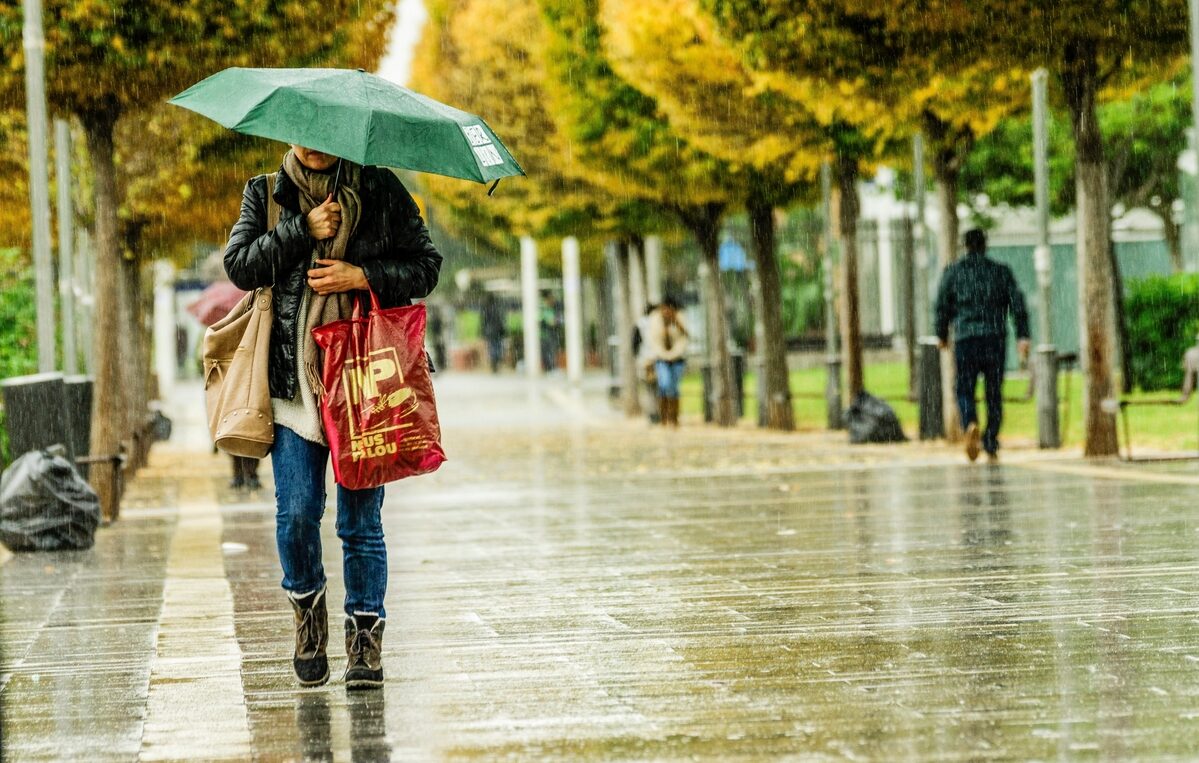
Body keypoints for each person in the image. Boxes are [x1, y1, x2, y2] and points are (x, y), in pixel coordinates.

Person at [224, 145, 441, 689]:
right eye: (302, 131)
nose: (313, 142)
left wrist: (361, 275)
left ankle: (365, 641)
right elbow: (241, 267)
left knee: (359, 524)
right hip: (295, 388)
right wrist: (301, 228)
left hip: (366, 388)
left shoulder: (379, 189)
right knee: (297, 513)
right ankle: (308, 612)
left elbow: (426, 267)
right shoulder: (265, 193)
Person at [935, 228, 1030, 463]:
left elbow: (941, 305)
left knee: (964, 388)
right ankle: (990, 441)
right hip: (994, 338)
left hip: (966, 338)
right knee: (994, 392)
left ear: (965, 246)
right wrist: (1023, 335)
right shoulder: (1000, 272)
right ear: (985, 245)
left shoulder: (953, 272)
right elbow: (1017, 304)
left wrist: (942, 334)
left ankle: (970, 423)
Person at [646, 296, 689, 427]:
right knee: (664, 385)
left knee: (674, 387)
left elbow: (685, 336)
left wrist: (675, 322)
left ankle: (674, 418)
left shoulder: (679, 318)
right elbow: (654, 339)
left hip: (678, 359)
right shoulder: (656, 320)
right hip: (661, 359)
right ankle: (664, 417)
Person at [480, 293, 507, 373]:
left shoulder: (486, 308)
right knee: (497, 347)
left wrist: (482, 331)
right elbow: (502, 320)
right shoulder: (498, 307)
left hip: (490, 332)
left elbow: (484, 321)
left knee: (492, 347)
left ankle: (494, 363)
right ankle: (496, 362)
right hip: (498, 331)